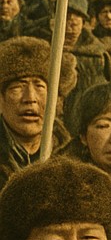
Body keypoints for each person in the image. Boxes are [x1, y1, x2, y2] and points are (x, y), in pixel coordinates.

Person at [0, 36, 76, 193]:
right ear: (1, 99)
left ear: (57, 100)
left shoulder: (74, 158)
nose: (30, 99)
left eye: (40, 87)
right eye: (17, 87)